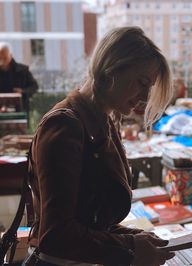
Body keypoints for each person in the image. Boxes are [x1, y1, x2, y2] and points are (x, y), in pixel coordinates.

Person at [24, 27, 175, 266]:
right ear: (111, 69)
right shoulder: (64, 126)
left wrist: (132, 237)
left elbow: (88, 219)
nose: (146, 96)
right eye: (142, 83)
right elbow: (56, 236)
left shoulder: (104, 120)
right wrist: (130, 247)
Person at [0, 42, 38, 112]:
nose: (2, 61)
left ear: (10, 55)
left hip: (20, 110)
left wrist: (23, 92)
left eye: (5, 58)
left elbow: (34, 86)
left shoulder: (23, 70)